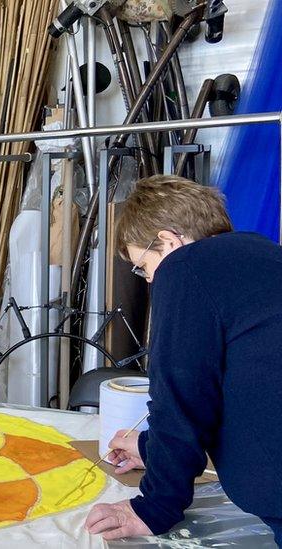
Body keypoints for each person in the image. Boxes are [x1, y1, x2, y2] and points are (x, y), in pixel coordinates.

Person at [84, 175, 282, 544]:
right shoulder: (265, 256)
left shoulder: (186, 267)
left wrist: (154, 506)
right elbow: (245, 393)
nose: (147, 281)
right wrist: (151, 449)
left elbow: (181, 397)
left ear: (168, 241)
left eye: (142, 267)